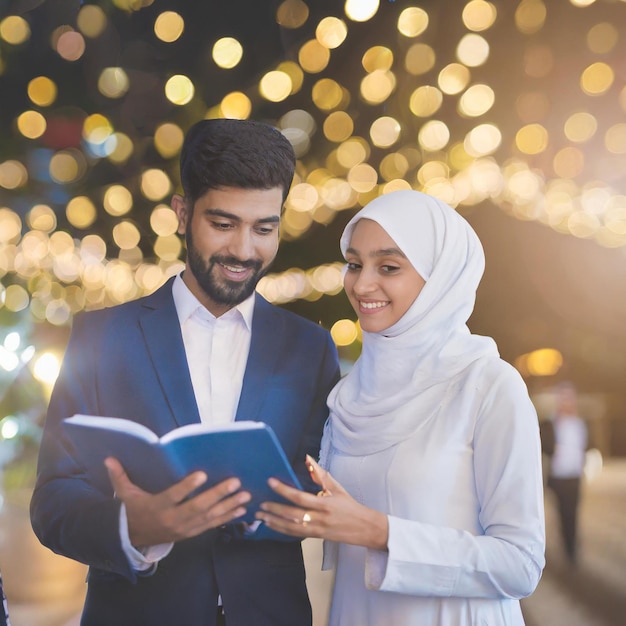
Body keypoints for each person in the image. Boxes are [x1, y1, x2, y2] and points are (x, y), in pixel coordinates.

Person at [30, 118, 340, 626]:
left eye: (265, 228)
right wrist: (133, 526)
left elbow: (320, 487)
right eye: (223, 224)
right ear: (181, 213)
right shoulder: (102, 338)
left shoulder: (310, 349)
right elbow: (52, 502)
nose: (244, 250)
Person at [256, 189, 546, 625]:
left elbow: (520, 564)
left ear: (441, 278)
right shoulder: (348, 395)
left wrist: (381, 534)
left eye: (388, 267)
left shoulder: (486, 385)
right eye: (354, 264)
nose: (361, 283)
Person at [540, 381, 588, 564]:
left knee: (572, 514)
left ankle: (571, 550)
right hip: (557, 478)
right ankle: (565, 546)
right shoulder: (550, 424)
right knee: (561, 514)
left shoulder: (580, 424)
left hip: (574, 477)